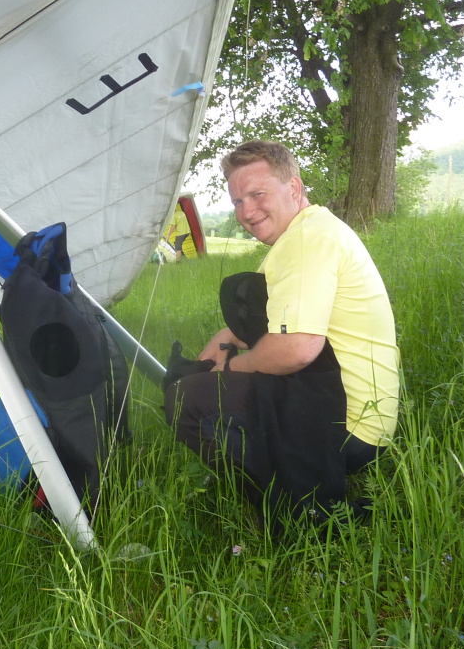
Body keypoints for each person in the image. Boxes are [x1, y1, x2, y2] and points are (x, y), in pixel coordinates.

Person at [163, 140, 399, 526]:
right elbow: (271, 322)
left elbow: (297, 349)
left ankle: (293, 506)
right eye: (238, 201)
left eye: (258, 194)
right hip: (358, 415)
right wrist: (223, 343)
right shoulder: (312, 231)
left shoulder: (306, 241)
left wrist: (230, 369)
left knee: (186, 400)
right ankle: (282, 475)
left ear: (293, 187)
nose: (247, 212)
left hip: (347, 430)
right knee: (201, 382)